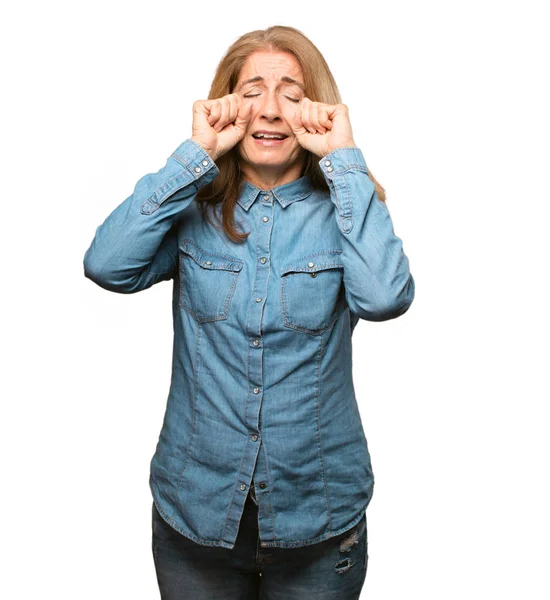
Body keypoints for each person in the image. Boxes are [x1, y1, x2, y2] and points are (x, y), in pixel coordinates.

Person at [83, 24, 415, 600]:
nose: (269, 109)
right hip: (196, 517)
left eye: (291, 92)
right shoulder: (193, 209)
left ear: (316, 109)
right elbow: (107, 264)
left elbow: (385, 297)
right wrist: (196, 156)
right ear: (226, 104)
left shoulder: (346, 209)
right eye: (252, 90)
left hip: (319, 519)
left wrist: (344, 159)